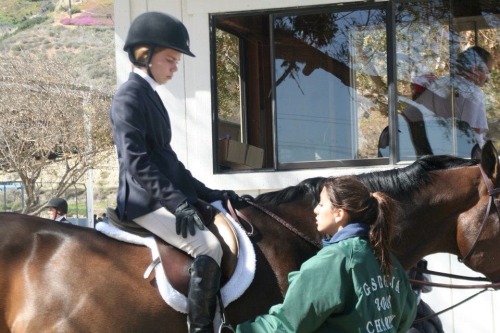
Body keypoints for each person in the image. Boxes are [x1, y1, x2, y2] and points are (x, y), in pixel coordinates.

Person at [110, 11, 238, 333]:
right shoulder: (128, 97)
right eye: (170, 59)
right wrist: (176, 203)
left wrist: (211, 194)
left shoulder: (150, 95)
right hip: (143, 202)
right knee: (207, 246)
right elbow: (136, 162)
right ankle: (201, 328)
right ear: (144, 55)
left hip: (161, 196)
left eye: (176, 61)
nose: (174, 67)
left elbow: (170, 163)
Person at [236, 176, 417, 332]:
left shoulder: (332, 262)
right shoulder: (388, 259)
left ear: (339, 213)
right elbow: (406, 317)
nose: (315, 210)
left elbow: (290, 324)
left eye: (321, 204)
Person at [404, 46, 494, 151]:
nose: (487, 79)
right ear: (474, 69)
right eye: (487, 72)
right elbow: (471, 135)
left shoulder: (439, 85)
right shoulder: (473, 92)